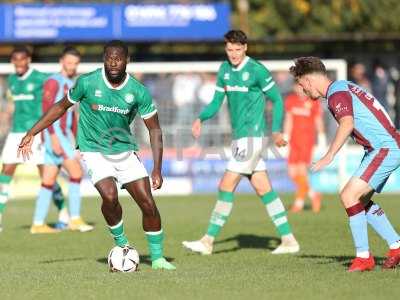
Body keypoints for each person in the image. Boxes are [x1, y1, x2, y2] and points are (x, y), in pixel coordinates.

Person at [18, 40, 175, 270]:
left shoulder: (138, 91)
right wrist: (32, 132)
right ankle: (122, 244)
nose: (113, 62)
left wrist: (157, 169)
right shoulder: (88, 82)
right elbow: (60, 107)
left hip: (124, 151)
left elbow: (155, 130)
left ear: (126, 60)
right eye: (109, 57)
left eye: (118, 58)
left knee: (148, 204)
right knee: (109, 196)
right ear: (104, 58)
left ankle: (158, 258)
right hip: (93, 150)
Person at [182, 30, 299, 255]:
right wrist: (200, 118)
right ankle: (289, 240)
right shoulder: (225, 70)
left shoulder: (256, 70)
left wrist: (275, 131)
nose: (233, 54)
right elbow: (217, 101)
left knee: (225, 186)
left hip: (252, 137)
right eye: (229, 49)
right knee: (264, 188)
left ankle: (207, 241)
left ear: (245, 48)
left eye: (237, 49)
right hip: (240, 138)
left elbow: (276, 99)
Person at [289, 56, 400, 271]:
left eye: (302, 85)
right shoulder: (343, 87)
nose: (302, 91)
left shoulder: (336, 93)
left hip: (384, 148)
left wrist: (329, 155)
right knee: (360, 200)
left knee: (348, 195)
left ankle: (363, 258)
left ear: (309, 80)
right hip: (381, 147)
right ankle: (396, 246)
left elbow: (347, 123)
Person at [0, 45, 66, 233]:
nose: (19, 63)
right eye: (15, 60)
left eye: (22, 59)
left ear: (28, 59)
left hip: (35, 134)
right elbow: (13, 106)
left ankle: (64, 213)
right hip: (15, 134)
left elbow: (55, 91)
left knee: (47, 176)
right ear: (12, 61)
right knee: (5, 174)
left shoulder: (40, 78)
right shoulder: (12, 80)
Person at [32, 46, 93, 232]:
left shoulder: (73, 83)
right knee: (76, 173)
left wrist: (77, 138)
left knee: (48, 181)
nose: (72, 66)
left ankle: (37, 224)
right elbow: (47, 111)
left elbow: (73, 115)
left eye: (75, 63)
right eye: (69, 62)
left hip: (65, 135)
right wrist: (51, 136)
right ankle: (74, 219)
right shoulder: (53, 81)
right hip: (56, 134)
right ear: (61, 62)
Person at [284, 83, 326, 213]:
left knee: (302, 171)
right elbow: (289, 119)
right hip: (293, 142)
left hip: (307, 142)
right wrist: (285, 136)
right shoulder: (291, 100)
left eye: (301, 87)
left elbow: (318, 120)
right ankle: (314, 195)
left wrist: (322, 137)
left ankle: (299, 203)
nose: (299, 89)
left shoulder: (313, 101)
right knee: (292, 173)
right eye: (297, 86)